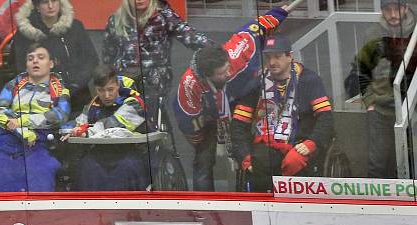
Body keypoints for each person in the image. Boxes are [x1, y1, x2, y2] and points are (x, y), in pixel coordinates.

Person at [174, 6, 290, 191]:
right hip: (208, 116)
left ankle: (248, 191)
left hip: (241, 97)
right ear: (207, 76)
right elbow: (188, 124)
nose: (229, 73)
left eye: (228, 67)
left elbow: (255, 27)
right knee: (204, 157)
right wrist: (205, 138)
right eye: (222, 73)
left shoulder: (237, 51)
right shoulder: (190, 86)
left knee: (246, 145)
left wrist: (278, 13)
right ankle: (205, 205)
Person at [230, 36, 335, 192]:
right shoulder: (256, 84)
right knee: (259, 163)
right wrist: (244, 155)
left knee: (293, 162)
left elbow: (326, 118)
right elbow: (238, 123)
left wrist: (311, 144)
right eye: (268, 57)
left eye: (277, 56)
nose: (272, 62)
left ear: (290, 56)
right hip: (266, 143)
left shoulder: (309, 80)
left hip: (299, 142)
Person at [0, 43, 71, 192]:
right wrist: (21, 131)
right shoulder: (13, 85)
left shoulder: (59, 89)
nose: (35, 61)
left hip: (39, 145)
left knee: (40, 172)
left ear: (51, 63)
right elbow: (0, 112)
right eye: (30, 58)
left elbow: (60, 115)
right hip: (6, 142)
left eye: (41, 57)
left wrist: (21, 121)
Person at [102, 0, 212, 127]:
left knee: (155, 126)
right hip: (124, 85)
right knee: (122, 126)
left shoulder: (164, 16)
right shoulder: (116, 20)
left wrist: (218, 51)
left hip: (155, 84)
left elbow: (190, 36)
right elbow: (107, 56)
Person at [345, 0, 416, 179]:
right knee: (376, 162)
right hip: (381, 108)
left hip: (412, 107)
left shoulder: (415, 32)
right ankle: (376, 203)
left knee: (413, 159)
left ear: (406, 8)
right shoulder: (373, 34)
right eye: (387, 10)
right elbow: (362, 70)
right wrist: (370, 101)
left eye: (397, 9)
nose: (392, 14)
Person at [63, 65, 148, 191]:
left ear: (118, 85)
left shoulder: (134, 103)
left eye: (110, 89)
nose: (106, 95)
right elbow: (79, 123)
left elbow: (112, 125)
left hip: (128, 153)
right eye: (101, 90)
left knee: (128, 167)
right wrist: (68, 130)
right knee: (85, 166)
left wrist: (85, 133)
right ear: (96, 89)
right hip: (99, 154)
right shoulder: (93, 105)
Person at [10, 0, 99, 107]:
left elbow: (91, 60)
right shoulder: (25, 33)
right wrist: (40, 88)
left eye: (54, 1)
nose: (50, 6)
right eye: (45, 2)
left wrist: (75, 84)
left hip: (77, 96)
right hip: (38, 98)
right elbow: (17, 65)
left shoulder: (75, 27)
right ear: (37, 6)